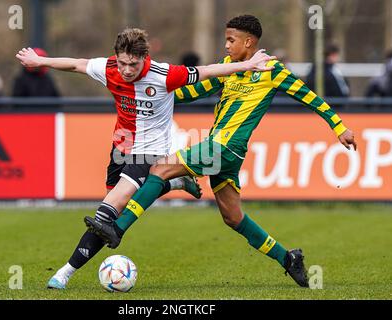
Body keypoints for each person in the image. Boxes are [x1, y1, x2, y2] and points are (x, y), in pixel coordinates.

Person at [87, 16, 358, 288]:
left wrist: (339, 127)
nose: (226, 45)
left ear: (248, 42)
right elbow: (193, 91)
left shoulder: (272, 70)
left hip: (226, 147)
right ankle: (288, 259)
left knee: (159, 168)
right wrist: (152, 92)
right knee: (233, 217)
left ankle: (117, 228)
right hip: (223, 151)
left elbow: (309, 96)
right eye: (226, 39)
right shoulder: (228, 67)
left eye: (231, 40)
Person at [16, 27, 275, 289]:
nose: (127, 70)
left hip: (149, 150)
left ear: (145, 58)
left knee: (106, 214)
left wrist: (249, 64)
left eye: (133, 64)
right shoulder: (109, 68)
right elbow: (77, 64)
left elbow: (207, 70)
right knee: (115, 210)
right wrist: (40, 61)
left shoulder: (165, 74)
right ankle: (174, 183)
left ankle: (64, 273)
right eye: (122, 63)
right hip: (121, 147)